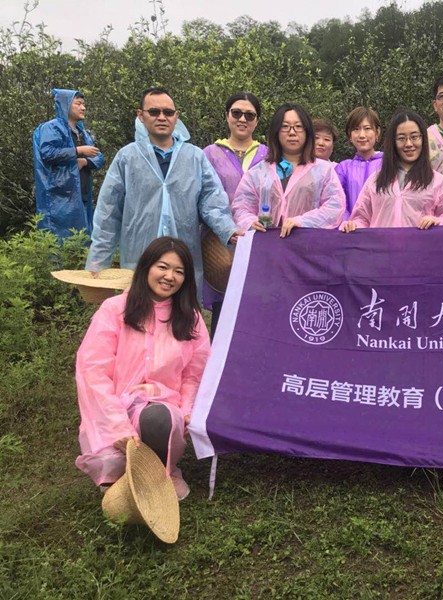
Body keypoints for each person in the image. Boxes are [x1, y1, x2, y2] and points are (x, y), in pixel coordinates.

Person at [75, 237, 211, 500]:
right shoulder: (115, 309)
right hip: (115, 407)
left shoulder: (190, 318)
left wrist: (186, 409)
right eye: (163, 267)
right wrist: (118, 426)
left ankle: (161, 470)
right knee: (113, 461)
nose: (170, 276)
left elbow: (195, 373)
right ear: (146, 267)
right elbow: (93, 372)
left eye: (179, 271)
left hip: (165, 408)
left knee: (158, 418)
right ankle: (126, 471)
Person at [86, 87, 241, 299]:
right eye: (154, 112)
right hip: (139, 255)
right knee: (138, 311)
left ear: (176, 116)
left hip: (182, 258)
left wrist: (228, 230)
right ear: (141, 116)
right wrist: (98, 261)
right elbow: (108, 213)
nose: (162, 117)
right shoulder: (127, 158)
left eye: (168, 112)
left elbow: (212, 202)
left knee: (181, 313)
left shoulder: (194, 157)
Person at [203, 92, 268, 333]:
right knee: (224, 309)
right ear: (227, 115)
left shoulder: (269, 154)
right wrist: (226, 230)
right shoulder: (209, 154)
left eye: (249, 115)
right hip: (220, 243)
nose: (242, 119)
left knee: (258, 305)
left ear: (257, 120)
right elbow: (203, 197)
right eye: (237, 113)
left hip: (259, 240)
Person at [232, 103, 345, 238]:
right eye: (285, 126)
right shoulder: (258, 172)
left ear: (307, 131)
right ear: (276, 132)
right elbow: (241, 207)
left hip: (308, 244)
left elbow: (334, 207)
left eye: (298, 126)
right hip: (266, 244)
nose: (292, 132)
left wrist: (302, 221)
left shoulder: (323, 170)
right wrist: (250, 221)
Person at [341, 110, 443, 231]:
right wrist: (353, 225)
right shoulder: (375, 181)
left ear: (423, 139)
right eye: (401, 138)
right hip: (381, 243)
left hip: (420, 243)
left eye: (414, 137)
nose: (408, 144)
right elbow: (361, 218)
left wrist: (437, 221)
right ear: (393, 142)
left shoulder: (437, 182)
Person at [33, 89, 104, 240]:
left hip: (81, 194)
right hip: (59, 197)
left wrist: (85, 161)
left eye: (84, 104)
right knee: (59, 242)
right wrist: (78, 151)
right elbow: (48, 153)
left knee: (81, 241)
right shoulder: (52, 127)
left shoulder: (82, 133)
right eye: (78, 104)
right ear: (65, 105)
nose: (83, 108)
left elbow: (99, 157)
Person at [335, 107, 383, 219]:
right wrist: (348, 223)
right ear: (350, 135)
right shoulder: (343, 168)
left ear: (377, 133)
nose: (362, 135)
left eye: (367, 128)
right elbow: (337, 202)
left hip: (383, 227)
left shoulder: (390, 164)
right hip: (352, 228)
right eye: (356, 129)